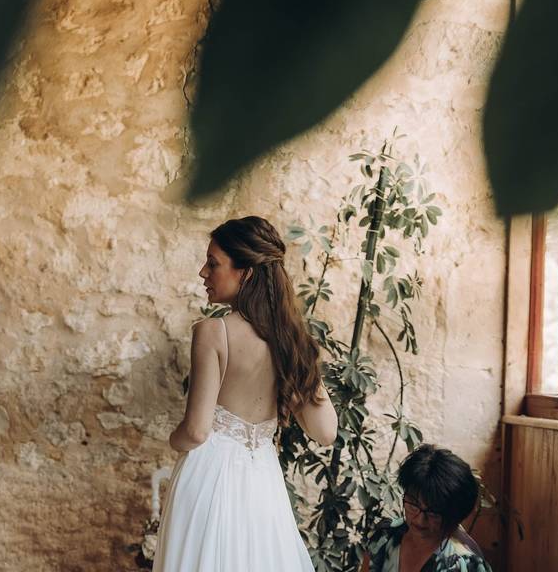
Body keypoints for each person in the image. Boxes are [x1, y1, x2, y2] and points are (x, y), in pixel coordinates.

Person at [152, 216, 338, 572]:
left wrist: (174, 441)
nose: (203, 273)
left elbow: (195, 431)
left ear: (246, 272)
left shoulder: (213, 332)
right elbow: (326, 432)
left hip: (209, 475)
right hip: (261, 480)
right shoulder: (292, 341)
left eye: (213, 263)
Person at [360, 444, 493, 572]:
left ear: (454, 513)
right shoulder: (384, 538)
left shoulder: (463, 564)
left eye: (433, 512)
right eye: (413, 504)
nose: (419, 520)